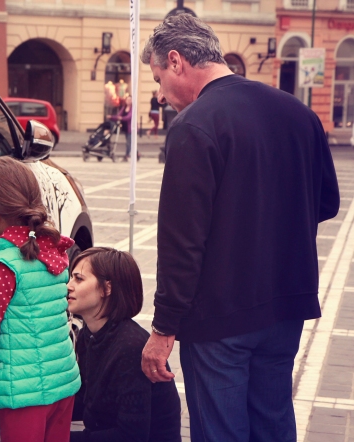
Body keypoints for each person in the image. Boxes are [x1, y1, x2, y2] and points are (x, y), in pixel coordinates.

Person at [139, 14, 340, 442]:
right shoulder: (299, 114)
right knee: (273, 424)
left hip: (219, 315)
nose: (160, 95)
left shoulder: (194, 125)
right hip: (286, 304)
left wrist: (163, 329)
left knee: (221, 432)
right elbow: (326, 203)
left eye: (158, 79)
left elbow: (181, 244)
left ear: (176, 61)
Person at [0, 156, 81, 442]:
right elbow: (26, 309)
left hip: (25, 395)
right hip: (62, 383)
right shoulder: (51, 252)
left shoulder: (4, 265)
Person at [67, 247, 181, 442]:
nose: (68, 286)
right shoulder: (89, 335)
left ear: (106, 289)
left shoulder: (130, 347)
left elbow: (131, 436)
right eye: (70, 278)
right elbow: (85, 401)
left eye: (79, 279)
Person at [111, 95, 133, 161]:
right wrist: (112, 117)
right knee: (130, 142)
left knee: (129, 142)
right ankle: (137, 153)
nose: (128, 101)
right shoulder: (124, 108)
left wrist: (121, 118)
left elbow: (129, 117)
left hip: (131, 128)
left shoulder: (133, 108)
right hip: (125, 127)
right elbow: (118, 115)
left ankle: (127, 156)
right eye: (127, 100)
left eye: (130, 100)